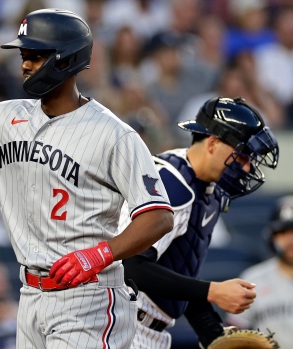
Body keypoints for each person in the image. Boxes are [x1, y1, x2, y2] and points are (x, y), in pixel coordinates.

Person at [0, 9, 174, 348]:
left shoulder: (115, 135)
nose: (24, 65)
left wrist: (100, 254)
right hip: (30, 295)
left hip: (88, 298)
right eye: (24, 56)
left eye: (34, 57)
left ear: (65, 60)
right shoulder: (3, 118)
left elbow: (158, 217)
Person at [118, 96, 279, 349]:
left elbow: (178, 271)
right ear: (213, 143)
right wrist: (212, 291)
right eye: (242, 156)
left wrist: (211, 331)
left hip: (149, 332)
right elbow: (129, 267)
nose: (247, 168)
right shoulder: (169, 182)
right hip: (120, 324)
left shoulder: (209, 192)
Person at [226, 195, 293, 349]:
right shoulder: (253, 279)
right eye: (283, 232)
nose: (291, 240)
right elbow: (233, 335)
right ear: (271, 237)